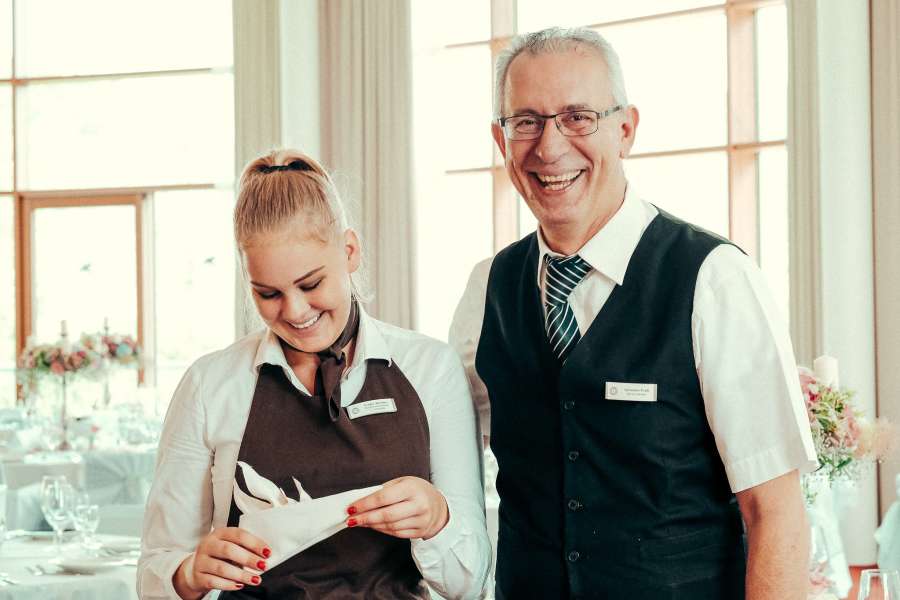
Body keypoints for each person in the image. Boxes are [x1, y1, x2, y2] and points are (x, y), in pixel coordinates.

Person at [449, 27, 818, 600]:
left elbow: (775, 514)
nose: (549, 147)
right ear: (502, 140)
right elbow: (445, 464)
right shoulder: (487, 287)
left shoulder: (714, 278)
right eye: (526, 121)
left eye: (577, 117)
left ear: (625, 130)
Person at [138, 149, 490, 599]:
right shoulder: (209, 385)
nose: (295, 311)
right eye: (268, 294)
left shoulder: (431, 369)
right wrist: (188, 573)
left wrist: (437, 520)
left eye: (311, 284)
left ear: (349, 250)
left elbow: (471, 582)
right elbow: (155, 571)